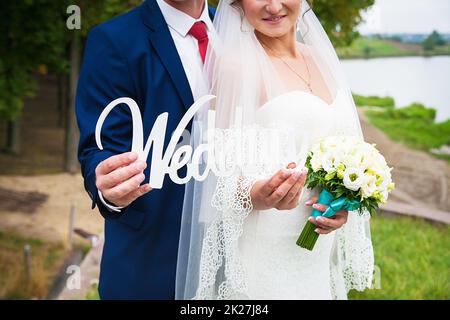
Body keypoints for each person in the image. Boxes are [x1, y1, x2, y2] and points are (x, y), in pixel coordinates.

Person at [176, 0, 374, 300]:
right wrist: (257, 193)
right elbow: (215, 175)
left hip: (316, 252)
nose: (272, 6)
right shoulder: (234, 65)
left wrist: (341, 203)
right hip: (264, 253)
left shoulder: (320, 57)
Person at [76, 0, 217, 299]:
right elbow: (100, 146)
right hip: (150, 265)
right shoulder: (114, 39)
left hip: (234, 261)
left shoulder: (243, 31)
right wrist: (106, 185)